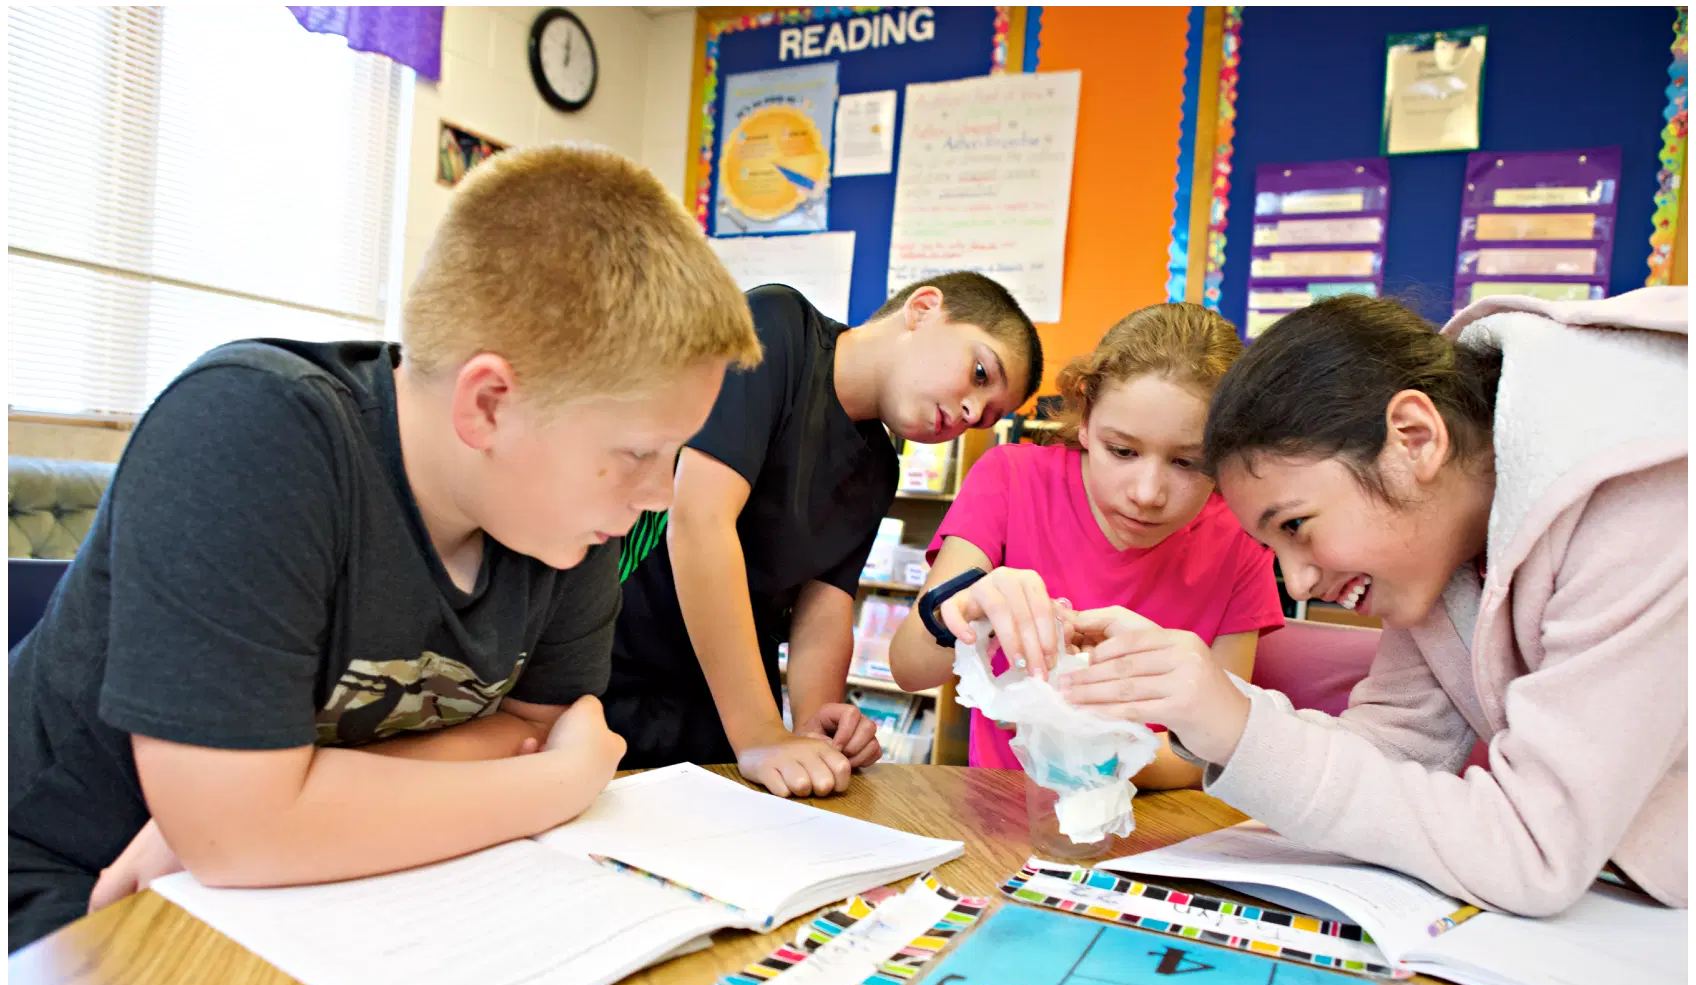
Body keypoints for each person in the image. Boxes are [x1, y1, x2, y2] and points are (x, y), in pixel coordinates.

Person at [6, 144, 763, 954]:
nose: (659, 493)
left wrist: (279, 804)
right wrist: (558, 783)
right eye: (640, 451)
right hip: (72, 876)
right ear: (489, 404)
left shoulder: (570, 529)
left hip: (290, 887)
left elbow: (526, 729)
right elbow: (238, 836)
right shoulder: (251, 430)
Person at [1061, 288, 1687, 915]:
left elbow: (1535, 852)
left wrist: (1238, 727)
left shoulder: (1645, 497)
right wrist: (1212, 708)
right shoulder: (1439, 530)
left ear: (1413, 440)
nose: (1299, 582)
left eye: (1297, 526)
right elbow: (1392, 747)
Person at [606, 274, 1043, 799]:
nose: (972, 413)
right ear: (925, 309)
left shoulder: (879, 469)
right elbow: (699, 519)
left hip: (715, 707)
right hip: (609, 669)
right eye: (978, 372)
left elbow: (825, 604)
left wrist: (818, 723)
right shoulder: (779, 323)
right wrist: (762, 732)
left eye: (987, 417)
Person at [887, 302, 1284, 782]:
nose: (1146, 494)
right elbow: (911, 671)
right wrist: (967, 605)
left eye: (1188, 462)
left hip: (1161, 836)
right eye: (1122, 451)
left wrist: (1086, 751)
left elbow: (1224, 746)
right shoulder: (1011, 480)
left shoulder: (1240, 541)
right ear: (1085, 421)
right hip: (1002, 816)